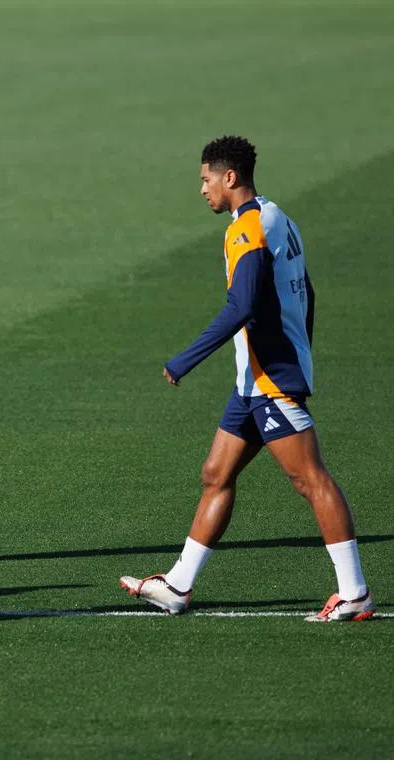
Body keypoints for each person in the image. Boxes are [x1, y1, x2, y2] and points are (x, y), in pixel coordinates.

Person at [120, 136, 375, 623]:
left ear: (228, 177)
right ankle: (178, 585)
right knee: (217, 474)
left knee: (310, 479)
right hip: (253, 381)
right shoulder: (278, 216)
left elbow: (244, 304)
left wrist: (184, 359)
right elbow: (309, 293)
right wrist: (302, 351)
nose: (202, 189)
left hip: (270, 379)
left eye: (205, 179)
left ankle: (355, 591)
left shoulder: (247, 228)